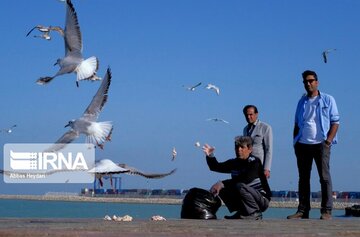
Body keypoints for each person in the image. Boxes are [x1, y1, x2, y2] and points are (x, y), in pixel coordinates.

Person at [287, 70, 340, 220]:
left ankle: (326, 210)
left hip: (321, 144)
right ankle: (303, 210)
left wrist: (328, 141)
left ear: (317, 82)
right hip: (302, 144)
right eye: (305, 81)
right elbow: (297, 123)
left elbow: (335, 122)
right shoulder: (301, 101)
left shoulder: (328, 99)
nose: (308, 84)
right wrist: (295, 142)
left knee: (324, 177)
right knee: (303, 178)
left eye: (311, 81)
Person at [203, 136, 271, 220]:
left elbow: (246, 179)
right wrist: (210, 155)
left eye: (242, 147)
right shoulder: (234, 162)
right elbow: (216, 167)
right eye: (237, 147)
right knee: (223, 189)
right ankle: (243, 211)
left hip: (262, 199)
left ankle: (255, 212)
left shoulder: (254, 162)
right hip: (247, 195)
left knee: (240, 186)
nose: (239, 150)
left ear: (250, 149)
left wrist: (222, 183)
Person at [243, 105, 273, 179]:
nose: (248, 117)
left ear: (256, 114)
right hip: (248, 166)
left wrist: (267, 168)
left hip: (260, 165)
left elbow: (269, 149)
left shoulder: (265, 127)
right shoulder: (245, 129)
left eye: (251, 114)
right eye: (246, 115)